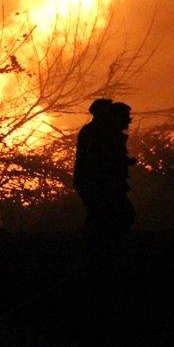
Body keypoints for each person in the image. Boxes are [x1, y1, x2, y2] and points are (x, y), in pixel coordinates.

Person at [73, 98, 136, 242]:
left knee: (101, 217)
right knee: (118, 215)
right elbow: (101, 158)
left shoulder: (99, 131)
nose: (129, 119)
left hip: (94, 181)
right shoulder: (99, 132)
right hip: (96, 182)